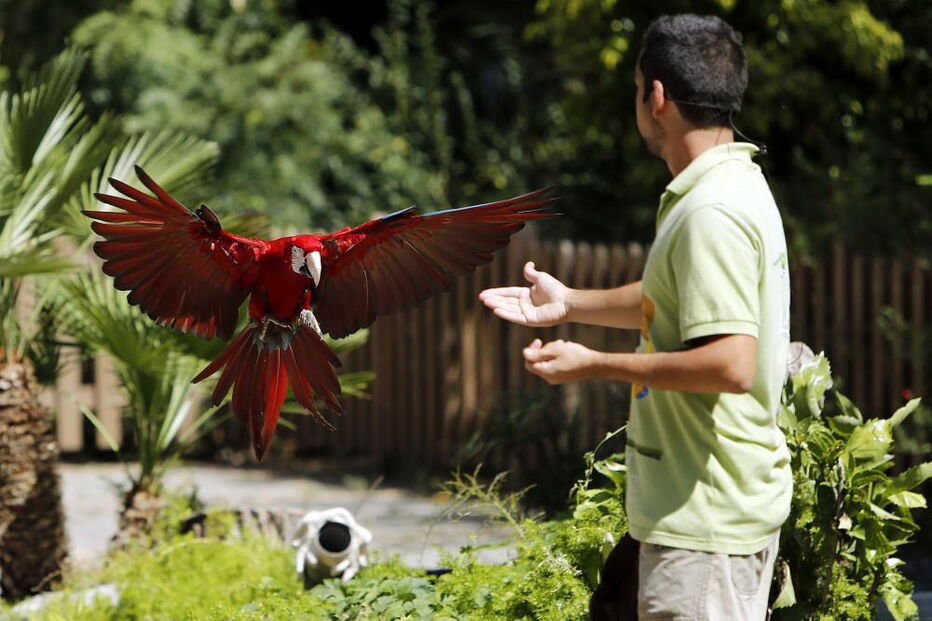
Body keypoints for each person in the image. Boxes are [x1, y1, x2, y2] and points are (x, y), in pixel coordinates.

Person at [479, 13, 792, 621]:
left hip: (704, 527)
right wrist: (570, 303)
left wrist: (595, 363)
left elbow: (731, 364)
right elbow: (676, 297)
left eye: (635, 88)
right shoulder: (735, 183)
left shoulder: (710, 212)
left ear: (657, 97)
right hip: (711, 513)